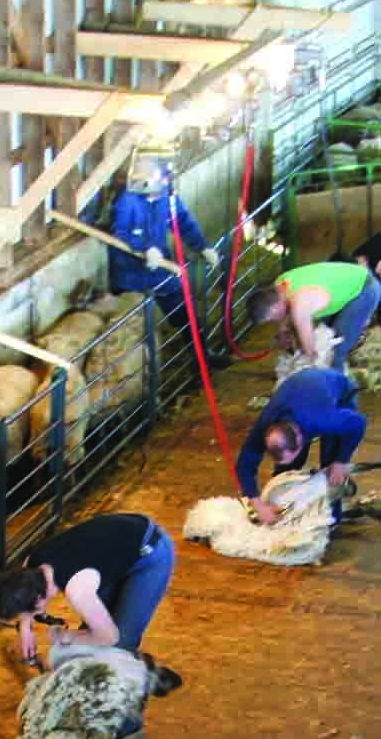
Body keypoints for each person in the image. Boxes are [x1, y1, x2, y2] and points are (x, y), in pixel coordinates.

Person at [0, 512, 175, 663]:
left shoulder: (77, 590)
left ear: (39, 601)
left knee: (119, 645)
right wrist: (26, 629)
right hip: (119, 538)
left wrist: (63, 637)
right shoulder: (32, 564)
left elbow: (110, 637)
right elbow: (23, 595)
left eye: (27, 612)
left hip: (151, 550)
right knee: (88, 637)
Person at [108, 150, 229, 368]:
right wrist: (144, 248)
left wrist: (202, 247)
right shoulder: (127, 200)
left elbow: (182, 220)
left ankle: (202, 357)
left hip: (160, 268)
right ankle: (139, 377)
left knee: (185, 310)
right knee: (130, 327)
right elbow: (120, 233)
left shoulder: (167, 195)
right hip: (129, 274)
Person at [235, 366, 366, 526]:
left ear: (300, 438)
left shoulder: (323, 419)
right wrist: (258, 505)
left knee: (331, 468)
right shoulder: (265, 425)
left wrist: (342, 460)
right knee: (288, 469)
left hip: (339, 394)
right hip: (302, 393)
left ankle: (331, 520)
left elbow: (358, 423)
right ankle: (285, 511)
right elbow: (243, 465)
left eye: (295, 451)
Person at [247, 261, 381, 371]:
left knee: (334, 353)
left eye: (272, 317)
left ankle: (340, 398)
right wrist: (282, 331)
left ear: (275, 306)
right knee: (326, 337)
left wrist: (303, 366)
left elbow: (310, 353)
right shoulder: (280, 285)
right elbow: (287, 316)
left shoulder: (300, 304)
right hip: (351, 281)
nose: (274, 321)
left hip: (365, 290)